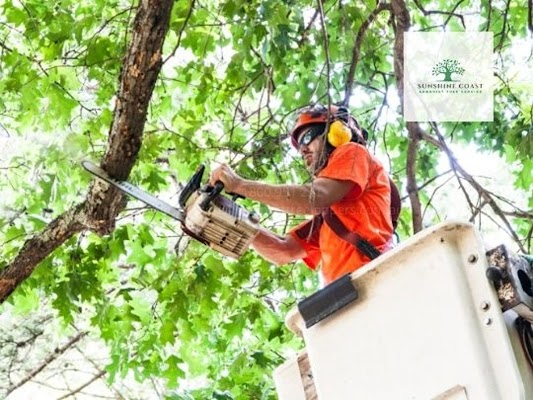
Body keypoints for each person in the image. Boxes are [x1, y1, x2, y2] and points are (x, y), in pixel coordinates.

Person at [209, 104, 395, 285]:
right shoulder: (332, 214)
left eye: (307, 137)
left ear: (336, 132)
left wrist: (240, 185)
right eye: (298, 147)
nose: (302, 150)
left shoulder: (353, 152)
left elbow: (314, 197)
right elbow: (283, 249)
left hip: (373, 278)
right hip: (345, 293)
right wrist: (233, 218)